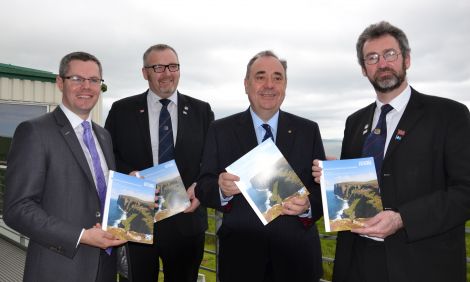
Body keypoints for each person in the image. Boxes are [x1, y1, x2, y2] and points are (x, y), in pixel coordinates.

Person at [312, 21, 470, 282]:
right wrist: (333, 175)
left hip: (421, 265)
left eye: (390, 54)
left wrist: (402, 219)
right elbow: (364, 186)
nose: (382, 63)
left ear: (406, 59)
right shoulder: (355, 122)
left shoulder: (449, 115)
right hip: (358, 263)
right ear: (364, 69)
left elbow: (465, 191)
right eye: (372, 58)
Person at [196, 50, 325, 282]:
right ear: (246, 84)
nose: (269, 85)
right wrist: (220, 190)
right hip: (241, 261)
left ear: (285, 85)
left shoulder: (308, 130)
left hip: (297, 261)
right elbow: (203, 187)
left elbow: (320, 190)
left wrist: (307, 206)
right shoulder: (220, 130)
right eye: (260, 76)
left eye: (277, 78)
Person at [3, 51, 126, 282]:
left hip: (105, 267)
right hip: (59, 269)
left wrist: (131, 187)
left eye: (93, 80)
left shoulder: (103, 135)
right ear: (60, 82)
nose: (86, 87)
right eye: (77, 79)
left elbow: (98, 190)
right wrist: (81, 236)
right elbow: (17, 209)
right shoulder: (34, 132)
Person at [105, 44, 214, 282]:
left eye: (173, 66)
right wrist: (128, 174)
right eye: (158, 67)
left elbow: (212, 161)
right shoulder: (122, 110)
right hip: (135, 217)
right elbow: (108, 156)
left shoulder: (201, 111)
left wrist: (200, 186)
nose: (167, 73)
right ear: (145, 73)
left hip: (186, 220)